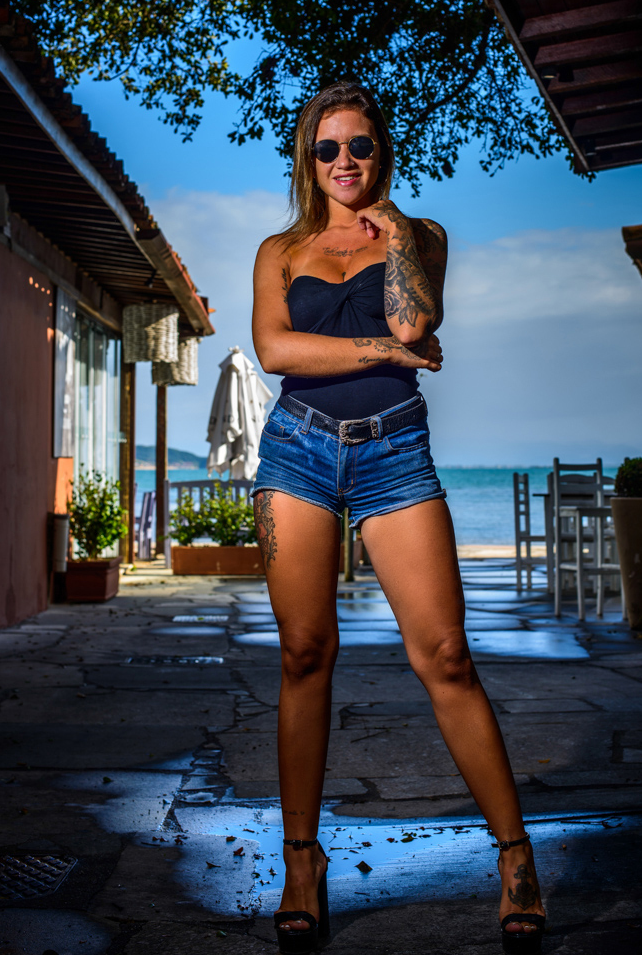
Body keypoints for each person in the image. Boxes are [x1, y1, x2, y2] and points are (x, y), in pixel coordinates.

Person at [251, 82, 545, 954]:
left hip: (392, 452)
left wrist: (398, 245)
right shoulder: (280, 249)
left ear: (383, 152)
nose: (344, 161)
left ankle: (515, 860)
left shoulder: (422, 237)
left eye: (360, 146)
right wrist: (381, 348)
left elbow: (418, 315)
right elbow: (276, 351)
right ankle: (302, 862)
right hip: (296, 449)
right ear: (308, 159)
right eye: (327, 148)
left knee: (446, 656)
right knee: (306, 653)